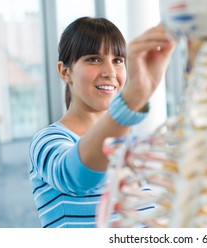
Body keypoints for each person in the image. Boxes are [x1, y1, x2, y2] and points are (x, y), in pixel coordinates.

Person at [29, 17, 175, 228]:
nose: (110, 73)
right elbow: (78, 176)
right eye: (93, 59)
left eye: (117, 60)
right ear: (64, 71)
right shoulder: (46, 141)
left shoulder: (130, 148)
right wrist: (133, 99)